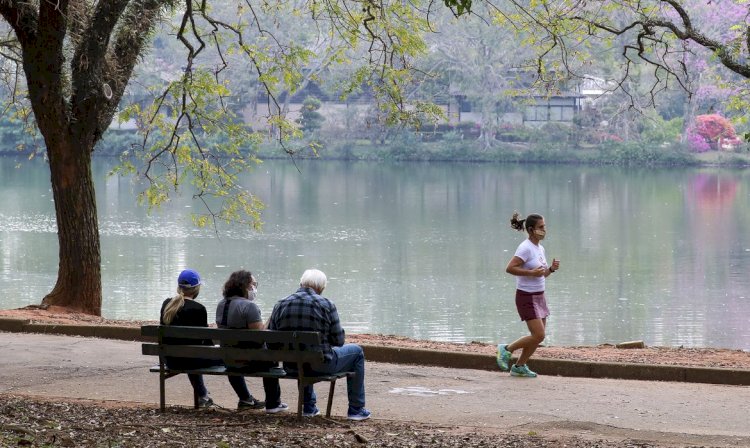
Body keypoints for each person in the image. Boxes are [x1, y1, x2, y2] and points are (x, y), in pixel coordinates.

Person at [268, 268, 371, 421]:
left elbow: (272, 342)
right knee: (356, 352)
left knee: (301, 352)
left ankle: (308, 406)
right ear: (321, 287)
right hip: (321, 366)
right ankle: (356, 409)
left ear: (301, 283)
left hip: (291, 366)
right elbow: (338, 341)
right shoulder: (326, 304)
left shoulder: (281, 304)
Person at [497, 212, 561, 378]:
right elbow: (510, 268)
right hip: (526, 296)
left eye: (544, 226)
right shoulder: (525, 248)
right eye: (541, 227)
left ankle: (519, 366)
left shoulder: (540, 248)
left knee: (537, 338)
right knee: (539, 335)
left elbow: (542, 274)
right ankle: (506, 349)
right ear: (531, 230)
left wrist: (551, 270)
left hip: (539, 295)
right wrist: (531, 273)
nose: (544, 230)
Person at [215, 270, 288, 414]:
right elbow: (260, 337)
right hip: (252, 361)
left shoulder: (221, 304)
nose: (255, 288)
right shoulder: (250, 306)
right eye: (253, 284)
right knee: (270, 358)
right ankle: (273, 403)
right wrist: (271, 319)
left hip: (229, 360)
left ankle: (245, 399)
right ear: (244, 286)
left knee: (234, 353)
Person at [158, 269, 218, 407]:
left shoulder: (167, 304)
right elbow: (205, 340)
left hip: (170, 360)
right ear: (196, 288)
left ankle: (203, 396)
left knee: (190, 353)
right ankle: (244, 398)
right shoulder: (199, 309)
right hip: (191, 359)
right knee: (214, 357)